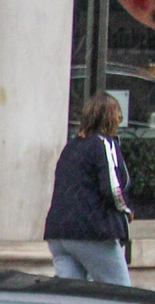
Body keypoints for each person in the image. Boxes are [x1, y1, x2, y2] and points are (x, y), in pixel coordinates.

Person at [45, 93, 133, 285]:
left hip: (58, 232)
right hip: (91, 232)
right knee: (119, 292)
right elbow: (112, 188)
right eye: (118, 115)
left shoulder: (71, 146)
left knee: (71, 297)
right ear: (111, 118)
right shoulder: (104, 143)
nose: (120, 120)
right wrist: (126, 210)